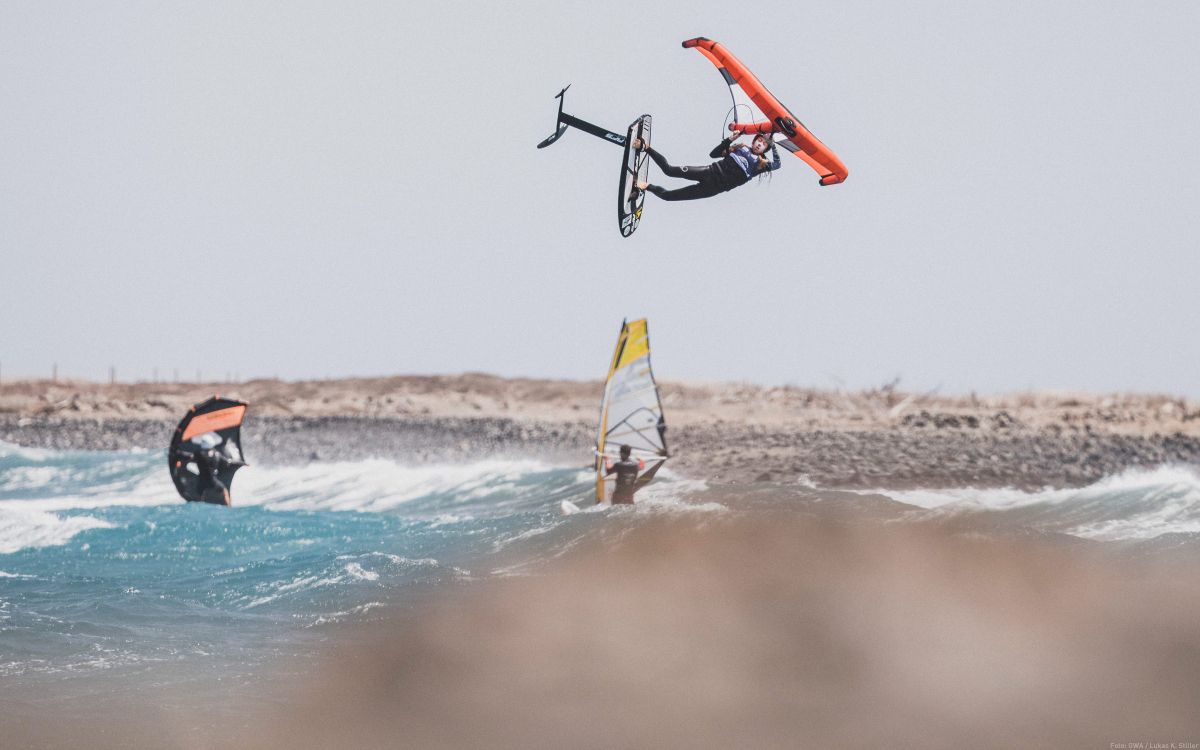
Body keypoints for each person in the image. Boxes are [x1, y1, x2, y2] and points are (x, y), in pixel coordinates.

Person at [630, 131, 781, 203]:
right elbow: (713, 154)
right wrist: (729, 140)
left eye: (764, 144)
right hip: (708, 173)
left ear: (765, 149)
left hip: (712, 189)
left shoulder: (761, 164)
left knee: (668, 196)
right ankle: (645, 147)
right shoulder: (741, 147)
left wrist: (774, 146)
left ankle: (646, 186)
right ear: (754, 141)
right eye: (759, 140)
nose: (760, 144)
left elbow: (777, 165)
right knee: (669, 170)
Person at [176, 445, 246, 506]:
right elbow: (227, 462)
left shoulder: (198, 454)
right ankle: (228, 506)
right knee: (225, 492)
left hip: (202, 481)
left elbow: (189, 456)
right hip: (213, 481)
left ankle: (200, 509)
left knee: (199, 496)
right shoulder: (216, 454)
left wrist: (178, 453)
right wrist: (241, 463)